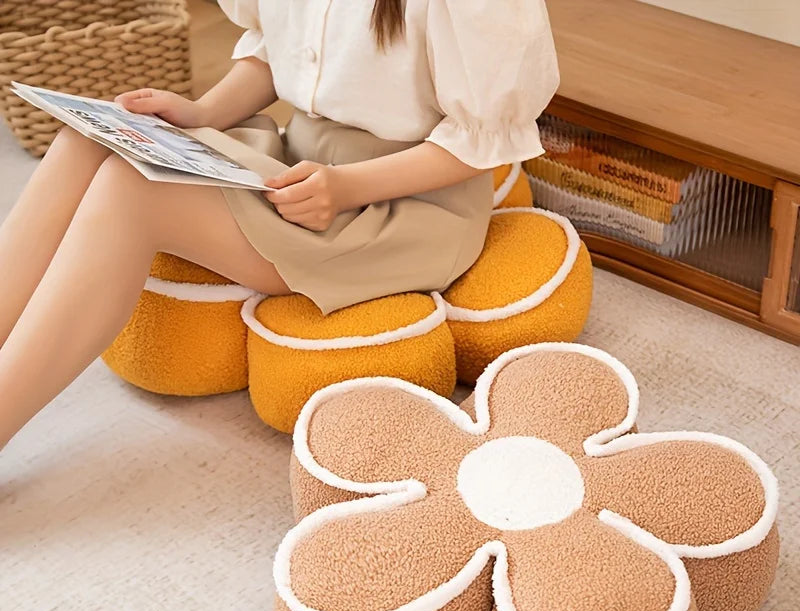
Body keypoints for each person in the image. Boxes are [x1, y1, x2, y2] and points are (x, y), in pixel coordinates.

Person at [0, 0, 559, 450]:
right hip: (302, 163)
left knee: (129, 191)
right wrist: (200, 115)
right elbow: (275, 53)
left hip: (404, 202)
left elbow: (482, 142)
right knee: (84, 140)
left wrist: (347, 190)